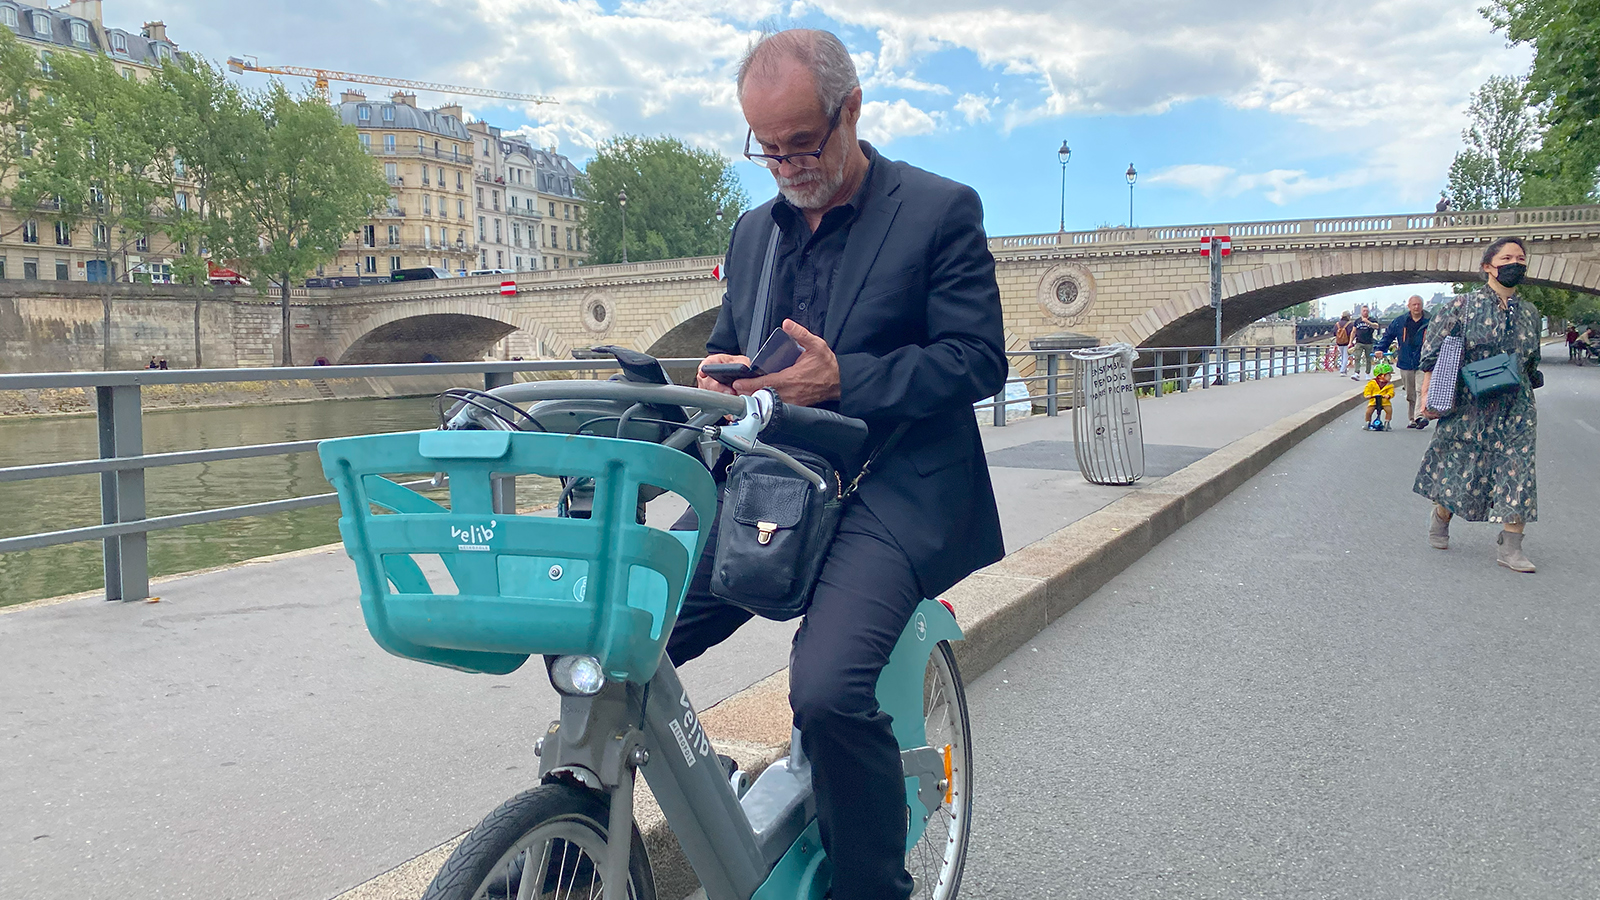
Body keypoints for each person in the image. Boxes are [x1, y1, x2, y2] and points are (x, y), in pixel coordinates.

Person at [678, 29, 1007, 900]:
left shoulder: (940, 209)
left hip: (888, 486)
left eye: (801, 142)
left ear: (850, 111)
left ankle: (873, 887)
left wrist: (846, 379)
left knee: (824, 693)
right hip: (771, 484)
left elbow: (979, 360)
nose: (785, 165)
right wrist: (719, 374)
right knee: (621, 633)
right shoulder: (755, 233)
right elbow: (727, 345)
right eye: (767, 147)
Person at [1415, 236, 1540, 573]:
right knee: (1462, 472)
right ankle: (1442, 513)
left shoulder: (1530, 313)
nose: (1515, 263)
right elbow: (1433, 355)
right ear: (1488, 266)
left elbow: (1532, 361)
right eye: (1507, 257)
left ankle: (1511, 546)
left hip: (1516, 408)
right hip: (1469, 405)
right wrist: (1428, 397)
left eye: (1520, 258)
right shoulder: (1461, 307)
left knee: (1519, 471)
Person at [1378, 294, 1431, 427]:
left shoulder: (1430, 320)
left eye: (1419, 304)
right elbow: (1388, 336)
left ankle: (1419, 416)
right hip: (1406, 360)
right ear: (1409, 306)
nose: (1416, 307)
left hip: (1423, 361)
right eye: (1414, 304)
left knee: (1421, 389)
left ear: (1422, 306)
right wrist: (1380, 348)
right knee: (1410, 392)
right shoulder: (1400, 321)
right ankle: (1411, 418)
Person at [1364, 363, 1396, 430]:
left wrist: (1388, 395)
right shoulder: (1372, 383)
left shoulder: (1389, 385)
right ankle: (1368, 421)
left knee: (1389, 410)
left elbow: (1391, 391)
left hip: (1384, 401)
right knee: (1368, 411)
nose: (1390, 376)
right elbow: (1367, 389)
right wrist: (1368, 395)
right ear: (1381, 376)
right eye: (1388, 375)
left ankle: (1387, 421)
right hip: (1374, 401)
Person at [1350, 304, 1379, 379]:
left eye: (1366, 311)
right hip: (1359, 341)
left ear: (1368, 312)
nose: (1365, 312)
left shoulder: (1372, 319)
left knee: (1368, 358)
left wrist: (1368, 322)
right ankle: (1356, 373)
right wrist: (1350, 342)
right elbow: (1353, 331)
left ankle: (1367, 373)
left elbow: (1376, 326)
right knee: (1357, 357)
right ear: (1361, 312)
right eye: (1364, 311)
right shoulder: (1357, 321)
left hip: (1369, 342)